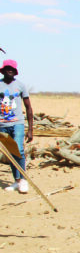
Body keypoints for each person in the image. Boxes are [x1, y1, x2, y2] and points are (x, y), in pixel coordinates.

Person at [0, 59, 34, 193]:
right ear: (3, 70)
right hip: (2, 125)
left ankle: (23, 179)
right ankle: (17, 181)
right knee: (10, 154)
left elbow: (29, 108)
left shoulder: (20, 86)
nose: (9, 70)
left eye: (12, 69)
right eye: (7, 68)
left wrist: (30, 130)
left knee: (19, 149)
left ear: (15, 71)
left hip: (17, 123)